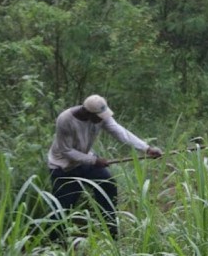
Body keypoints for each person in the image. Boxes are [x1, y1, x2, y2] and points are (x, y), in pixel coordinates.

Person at [47, 94, 163, 239]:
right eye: (99, 116)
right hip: (64, 167)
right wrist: (93, 161)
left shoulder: (100, 117)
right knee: (63, 205)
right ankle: (55, 241)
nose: (103, 119)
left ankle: (111, 231)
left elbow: (119, 131)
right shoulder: (65, 120)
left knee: (107, 185)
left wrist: (146, 149)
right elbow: (66, 150)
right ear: (88, 113)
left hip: (87, 160)